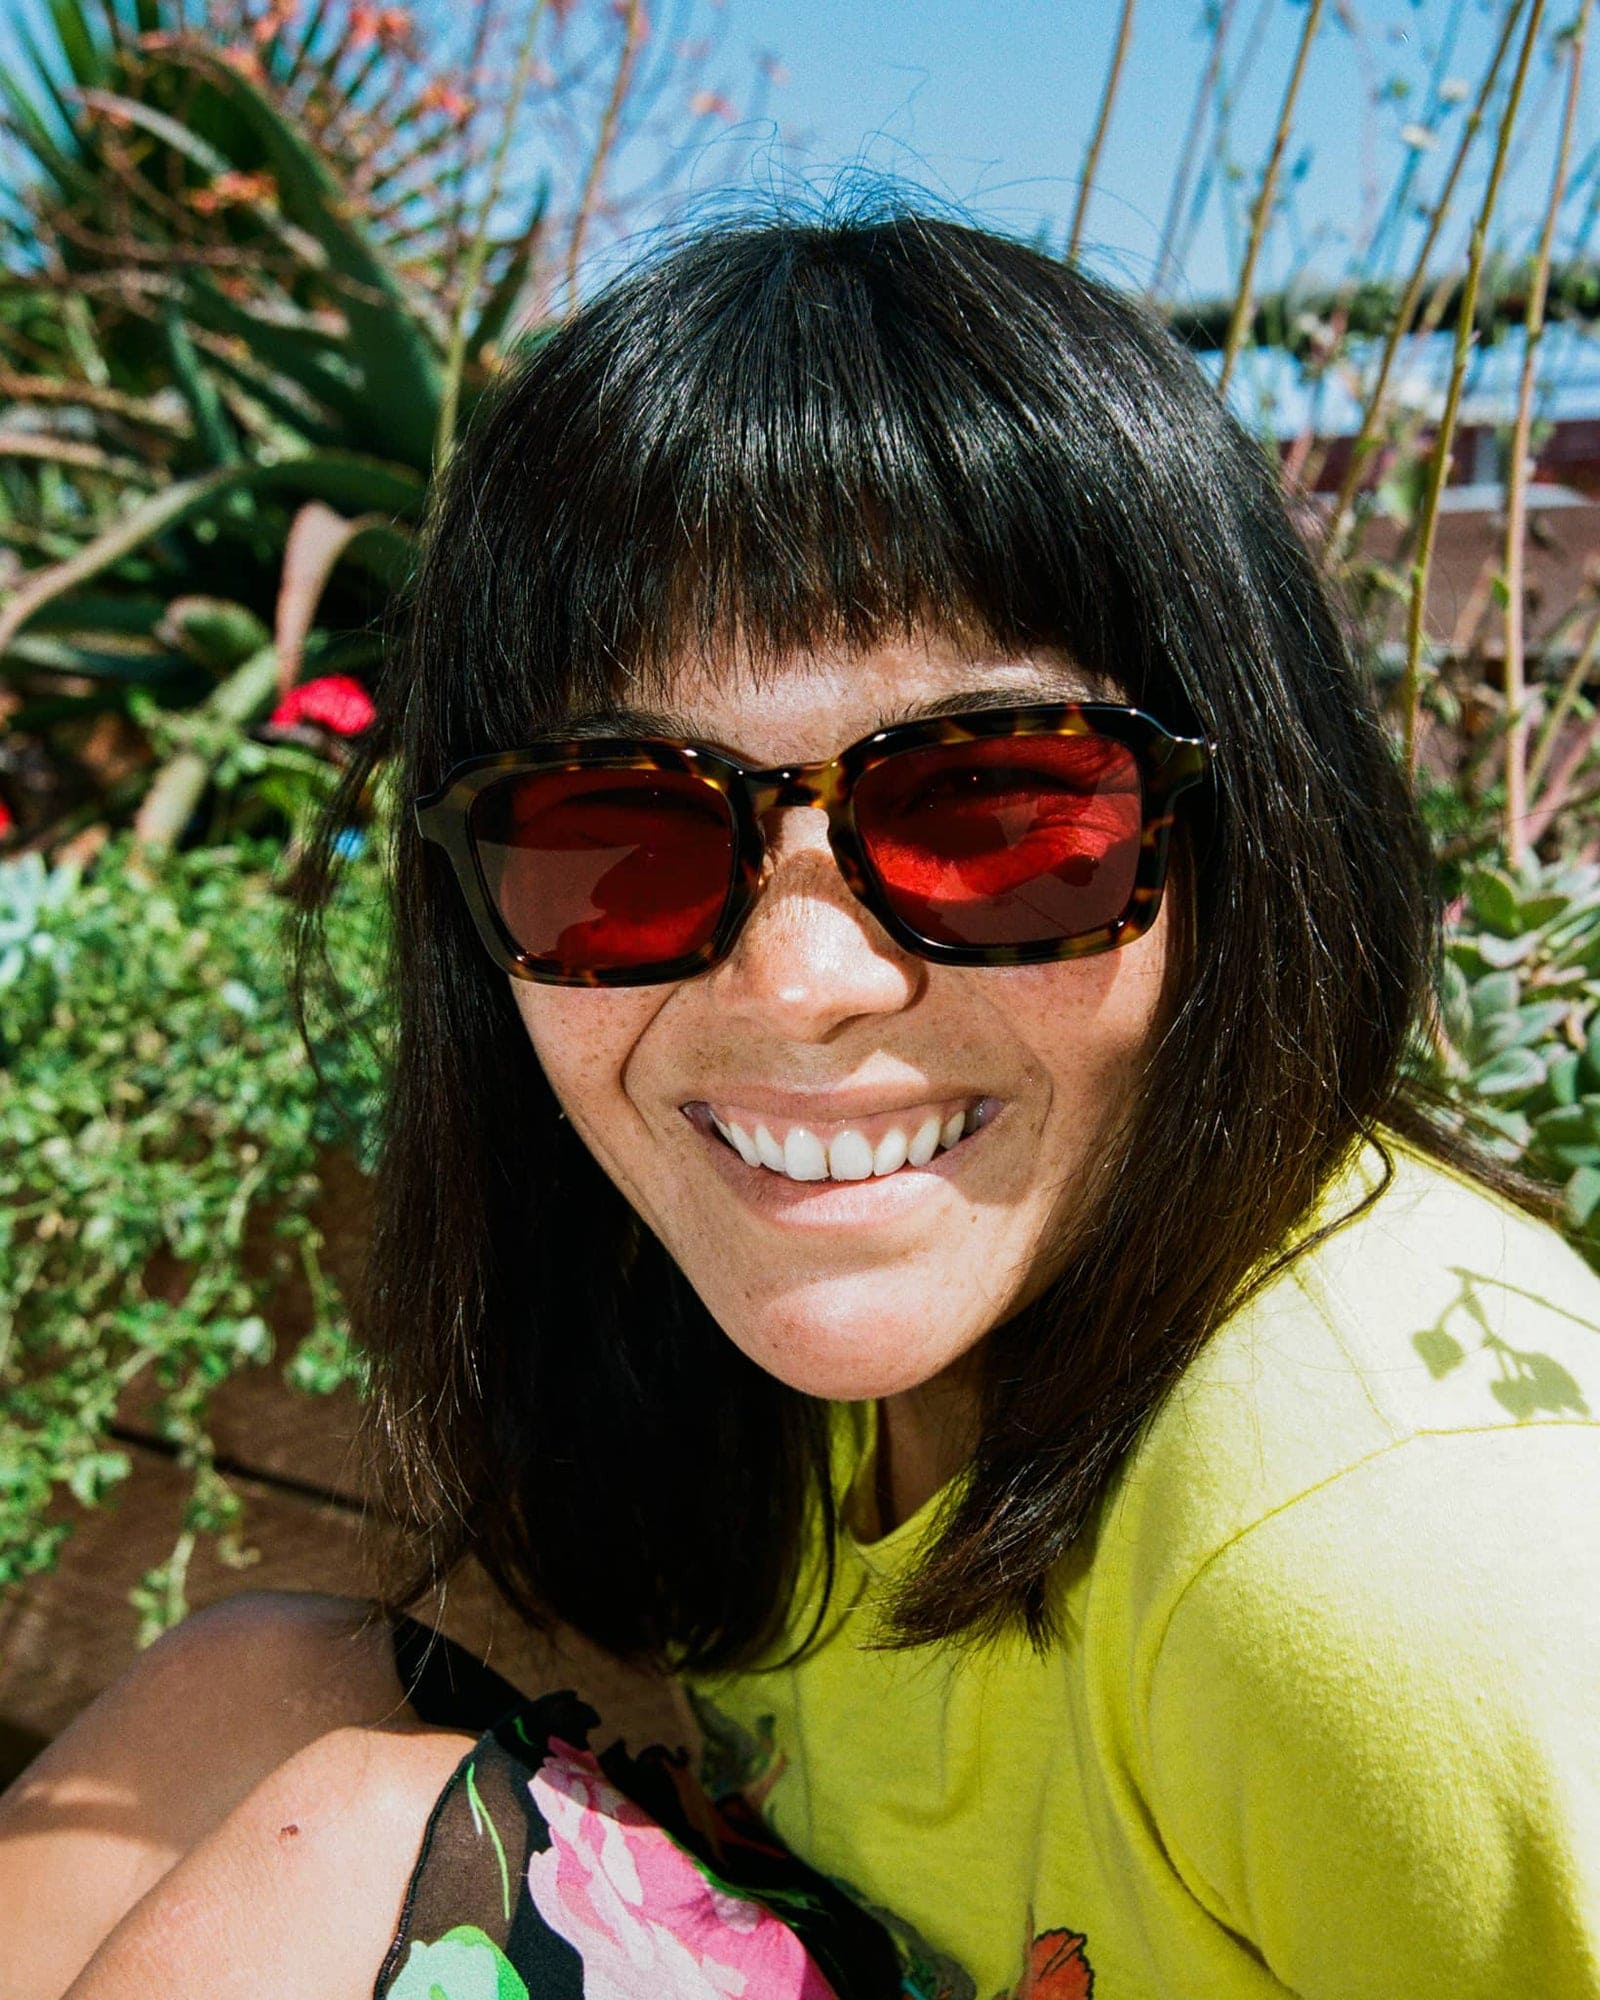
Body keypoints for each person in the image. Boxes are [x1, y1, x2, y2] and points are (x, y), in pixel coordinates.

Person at [3, 208, 1599, 2000]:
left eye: (997, 814)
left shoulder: (1386, 1555)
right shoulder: (820, 1353)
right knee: (263, 1690)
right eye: (616, 839)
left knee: (355, 1847)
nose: (804, 983)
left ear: (1244, 836)